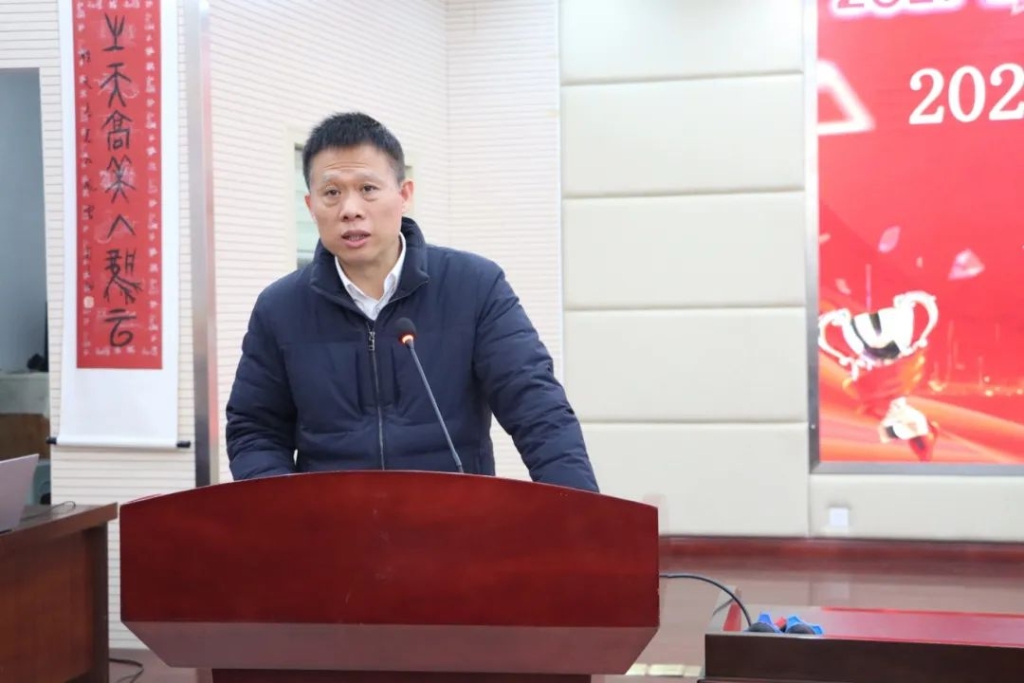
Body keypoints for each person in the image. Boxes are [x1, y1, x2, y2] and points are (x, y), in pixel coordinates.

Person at [225, 112, 599, 492]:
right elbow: (255, 429)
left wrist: (580, 516)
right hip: (331, 524)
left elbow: (537, 408)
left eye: (368, 189)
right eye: (332, 193)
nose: (350, 209)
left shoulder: (475, 286)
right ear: (310, 205)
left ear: (404, 195)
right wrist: (287, 511)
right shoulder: (280, 309)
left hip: (455, 518)